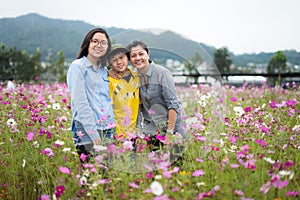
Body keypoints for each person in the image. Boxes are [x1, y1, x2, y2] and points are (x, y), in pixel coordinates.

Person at [66, 28, 114, 161]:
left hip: (107, 129)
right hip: (86, 130)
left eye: (103, 43)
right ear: (88, 43)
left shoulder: (104, 70)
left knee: (106, 175)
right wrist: (93, 134)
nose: (99, 45)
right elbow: (80, 103)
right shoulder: (78, 67)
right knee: (90, 175)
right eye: (95, 41)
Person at [126, 40, 184, 137]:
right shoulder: (134, 76)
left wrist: (169, 134)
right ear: (130, 60)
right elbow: (138, 106)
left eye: (141, 54)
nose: (138, 58)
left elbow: (173, 104)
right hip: (151, 129)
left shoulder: (162, 73)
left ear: (148, 54)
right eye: (133, 56)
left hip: (172, 127)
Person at [107, 44, 140, 137]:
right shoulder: (109, 80)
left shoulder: (137, 77)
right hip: (117, 132)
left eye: (122, 57)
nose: (119, 62)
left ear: (128, 58)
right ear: (110, 63)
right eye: (114, 60)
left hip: (135, 132)